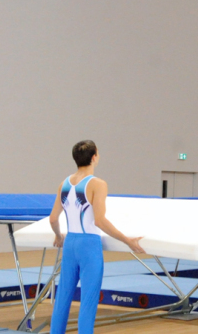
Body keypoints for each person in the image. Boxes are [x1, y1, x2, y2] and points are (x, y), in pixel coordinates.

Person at [49, 140, 144, 334]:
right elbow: (99, 221)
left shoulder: (64, 184)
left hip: (70, 244)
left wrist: (59, 237)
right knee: (88, 301)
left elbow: (52, 219)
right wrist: (128, 241)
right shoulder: (97, 184)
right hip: (89, 245)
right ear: (94, 157)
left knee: (62, 299)